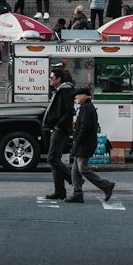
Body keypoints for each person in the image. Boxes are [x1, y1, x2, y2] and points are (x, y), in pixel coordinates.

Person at [67, 85, 115, 203]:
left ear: (83, 96)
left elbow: (84, 127)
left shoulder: (87, 108)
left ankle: (106, 185)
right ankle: (77, 193)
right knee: (75, 169)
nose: (76, 98)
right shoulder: (85, 107)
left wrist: (77, 141)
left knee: (82, 169)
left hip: (85, 143)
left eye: (77, 96)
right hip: (84, 142)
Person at [40, 67, 76, 201]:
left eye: (52, 78)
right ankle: (59, 191)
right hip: (57, 128)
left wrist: (59, 125)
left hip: (60, 130)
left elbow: (69, 111)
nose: (50, 80)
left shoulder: (65, 91)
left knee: (52, 158)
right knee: (55, 160)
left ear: (59, 79)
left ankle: (73, 180)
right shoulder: (60, 91)